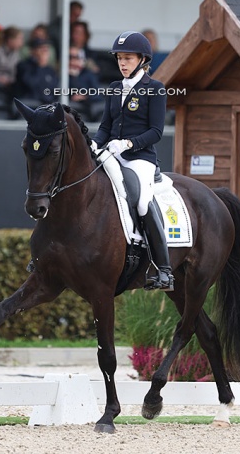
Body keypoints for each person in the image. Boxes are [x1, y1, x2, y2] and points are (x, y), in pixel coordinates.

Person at [91, 31, 174, 291]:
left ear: (142, 60)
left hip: (140, 158)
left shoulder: (155, 89)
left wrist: (128, 143)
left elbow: (156, 132)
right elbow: (105, 126)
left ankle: (164, 269)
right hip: (111, 153)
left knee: (140, 201)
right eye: (119, 59)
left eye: (128, 58)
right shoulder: (115, 88)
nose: (122, 63)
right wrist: (94, 143)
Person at [14, 38, 59, 105]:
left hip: (47, 106)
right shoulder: (23, 66)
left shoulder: (50, 70)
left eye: (46, 49)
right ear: (33, 51)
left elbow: (54, 90)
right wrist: (40, 66)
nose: (44, 52)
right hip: (28, 105)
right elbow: (31, 85)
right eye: (41, 49)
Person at [68, 45, 103, 121]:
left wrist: (85, 97)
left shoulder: (89, 75)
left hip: (86, 109)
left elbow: (98, 94)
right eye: (69, 57)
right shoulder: (61, 75)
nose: (72, 61)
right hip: (69, 109)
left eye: (76, 57)